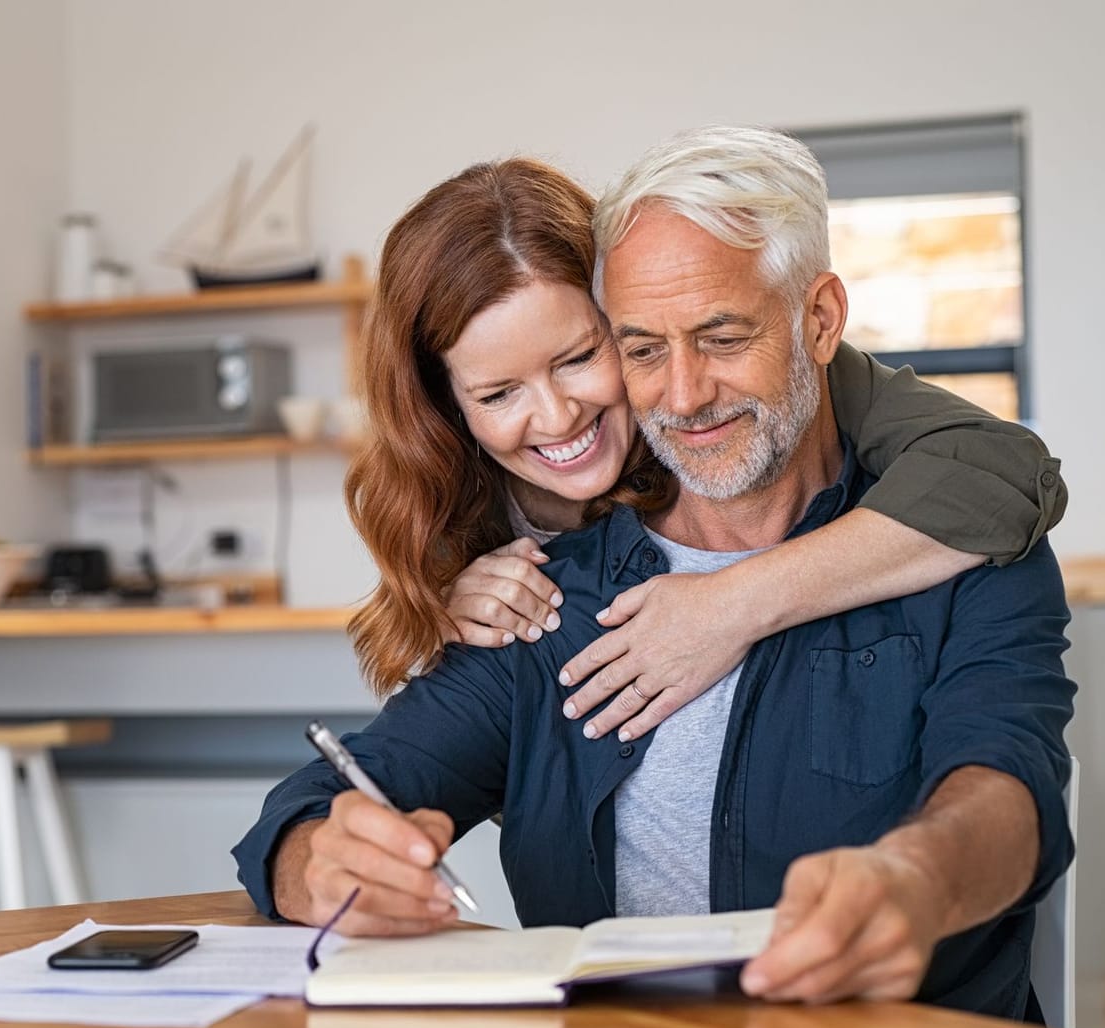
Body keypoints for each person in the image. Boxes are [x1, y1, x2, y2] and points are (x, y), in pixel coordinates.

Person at [235, 126, 1073, 1021]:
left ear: (820, 321)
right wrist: (316, 859)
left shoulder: (954, 539)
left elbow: (1008, 784)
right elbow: (322, 800)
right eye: (641, 348)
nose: (682, 394)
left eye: (721, 337)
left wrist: (918, 876)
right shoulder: (540, 590)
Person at [345, 158, 1063, 750]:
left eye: (579, 356)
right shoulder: (442, 494)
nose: (557, 415)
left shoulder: (754, 400)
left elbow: (1007, 472)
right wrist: (443, 604)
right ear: (449, 405)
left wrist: (730, 605)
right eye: (499, 394)